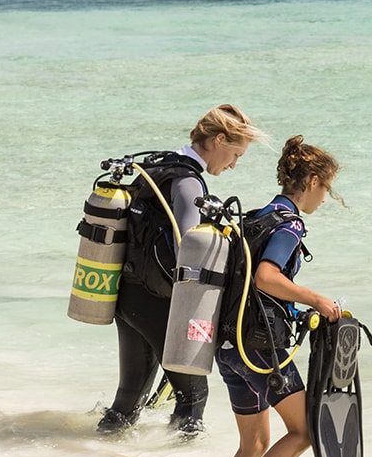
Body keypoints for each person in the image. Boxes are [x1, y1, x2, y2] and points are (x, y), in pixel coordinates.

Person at [97, 104, 264, 436]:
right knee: (193, 395)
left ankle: (100, 456)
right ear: (217, 140)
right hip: (154, 300)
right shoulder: (188, 182)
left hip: (127, 294)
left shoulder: (163, 165)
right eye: (235, 155)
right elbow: (187, 250)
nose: (233, 165)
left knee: (130, 398)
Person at [217, 135, 343, 457]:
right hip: (259, 348)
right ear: (314, 181)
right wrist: (316, 300)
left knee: (254, 443)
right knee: (303, 431)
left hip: (228, 346)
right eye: (327, 188)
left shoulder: (257, 217)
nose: (325, 197)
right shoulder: (290, 224)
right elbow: (265, 277)